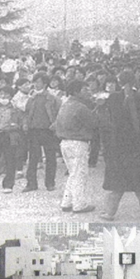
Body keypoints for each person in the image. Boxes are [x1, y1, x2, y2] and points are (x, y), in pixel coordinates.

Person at [99, 70, 140, 220]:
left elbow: (106, 121)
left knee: (116, 181)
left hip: (118, 145)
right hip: (139, 145)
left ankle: (109, 212)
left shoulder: (112, 98)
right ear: (135, 82)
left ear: (119, 82)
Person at [54, 79, 99, 214]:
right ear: (76, 92)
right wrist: (99, 108)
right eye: (85, 90)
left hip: (65, 142)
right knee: (80, 174)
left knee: (73, 174)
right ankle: (79, 204)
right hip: (78, 143)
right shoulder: (80, 107)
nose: (88, 92)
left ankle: (66, 202)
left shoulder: (65, 104)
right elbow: (94, 123)